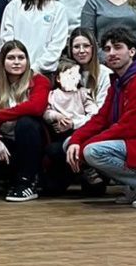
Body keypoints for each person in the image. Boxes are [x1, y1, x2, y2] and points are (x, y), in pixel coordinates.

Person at [66, 28, 136, 209]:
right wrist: (76, 140)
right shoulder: (119, 81)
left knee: (92, 151)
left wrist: (85, 145)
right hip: (135, 140)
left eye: (117, 47)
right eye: (107, 49)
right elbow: (100, 118)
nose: (111, 53)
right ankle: (135, 186)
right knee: (69, 144)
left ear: (132, 51)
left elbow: (128, 127)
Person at [0, 41, 51, 201]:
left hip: (36, 146)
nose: (16, 62)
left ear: (27, 61)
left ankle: (27, 182)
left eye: (21, 57)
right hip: (9, 146)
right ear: (2, 62)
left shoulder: (39, 80)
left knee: (26, 122)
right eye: (11, 58)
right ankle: (14, 179)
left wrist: (1, 116)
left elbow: (37, 107)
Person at [41, 29, 112, 194]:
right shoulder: (63, 71)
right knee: (51, 188)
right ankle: (72, 170)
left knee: (94, 192)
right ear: (70, 50)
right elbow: (48, 107)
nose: (81, 51)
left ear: (93, 48)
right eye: (76, 46)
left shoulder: (104, 74)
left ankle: (88, 170)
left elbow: (100, 114)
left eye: (86, 46)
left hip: (92, 131)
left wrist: (74, 123)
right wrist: (57, 118)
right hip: (62, 132)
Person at [0, 0, 68, 74]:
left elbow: (57, 44)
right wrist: (18, 64)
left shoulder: (58, 8)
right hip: (15, 72)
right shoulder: (13, 6)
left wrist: (35, 68)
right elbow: (6, 40)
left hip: (44, 72)